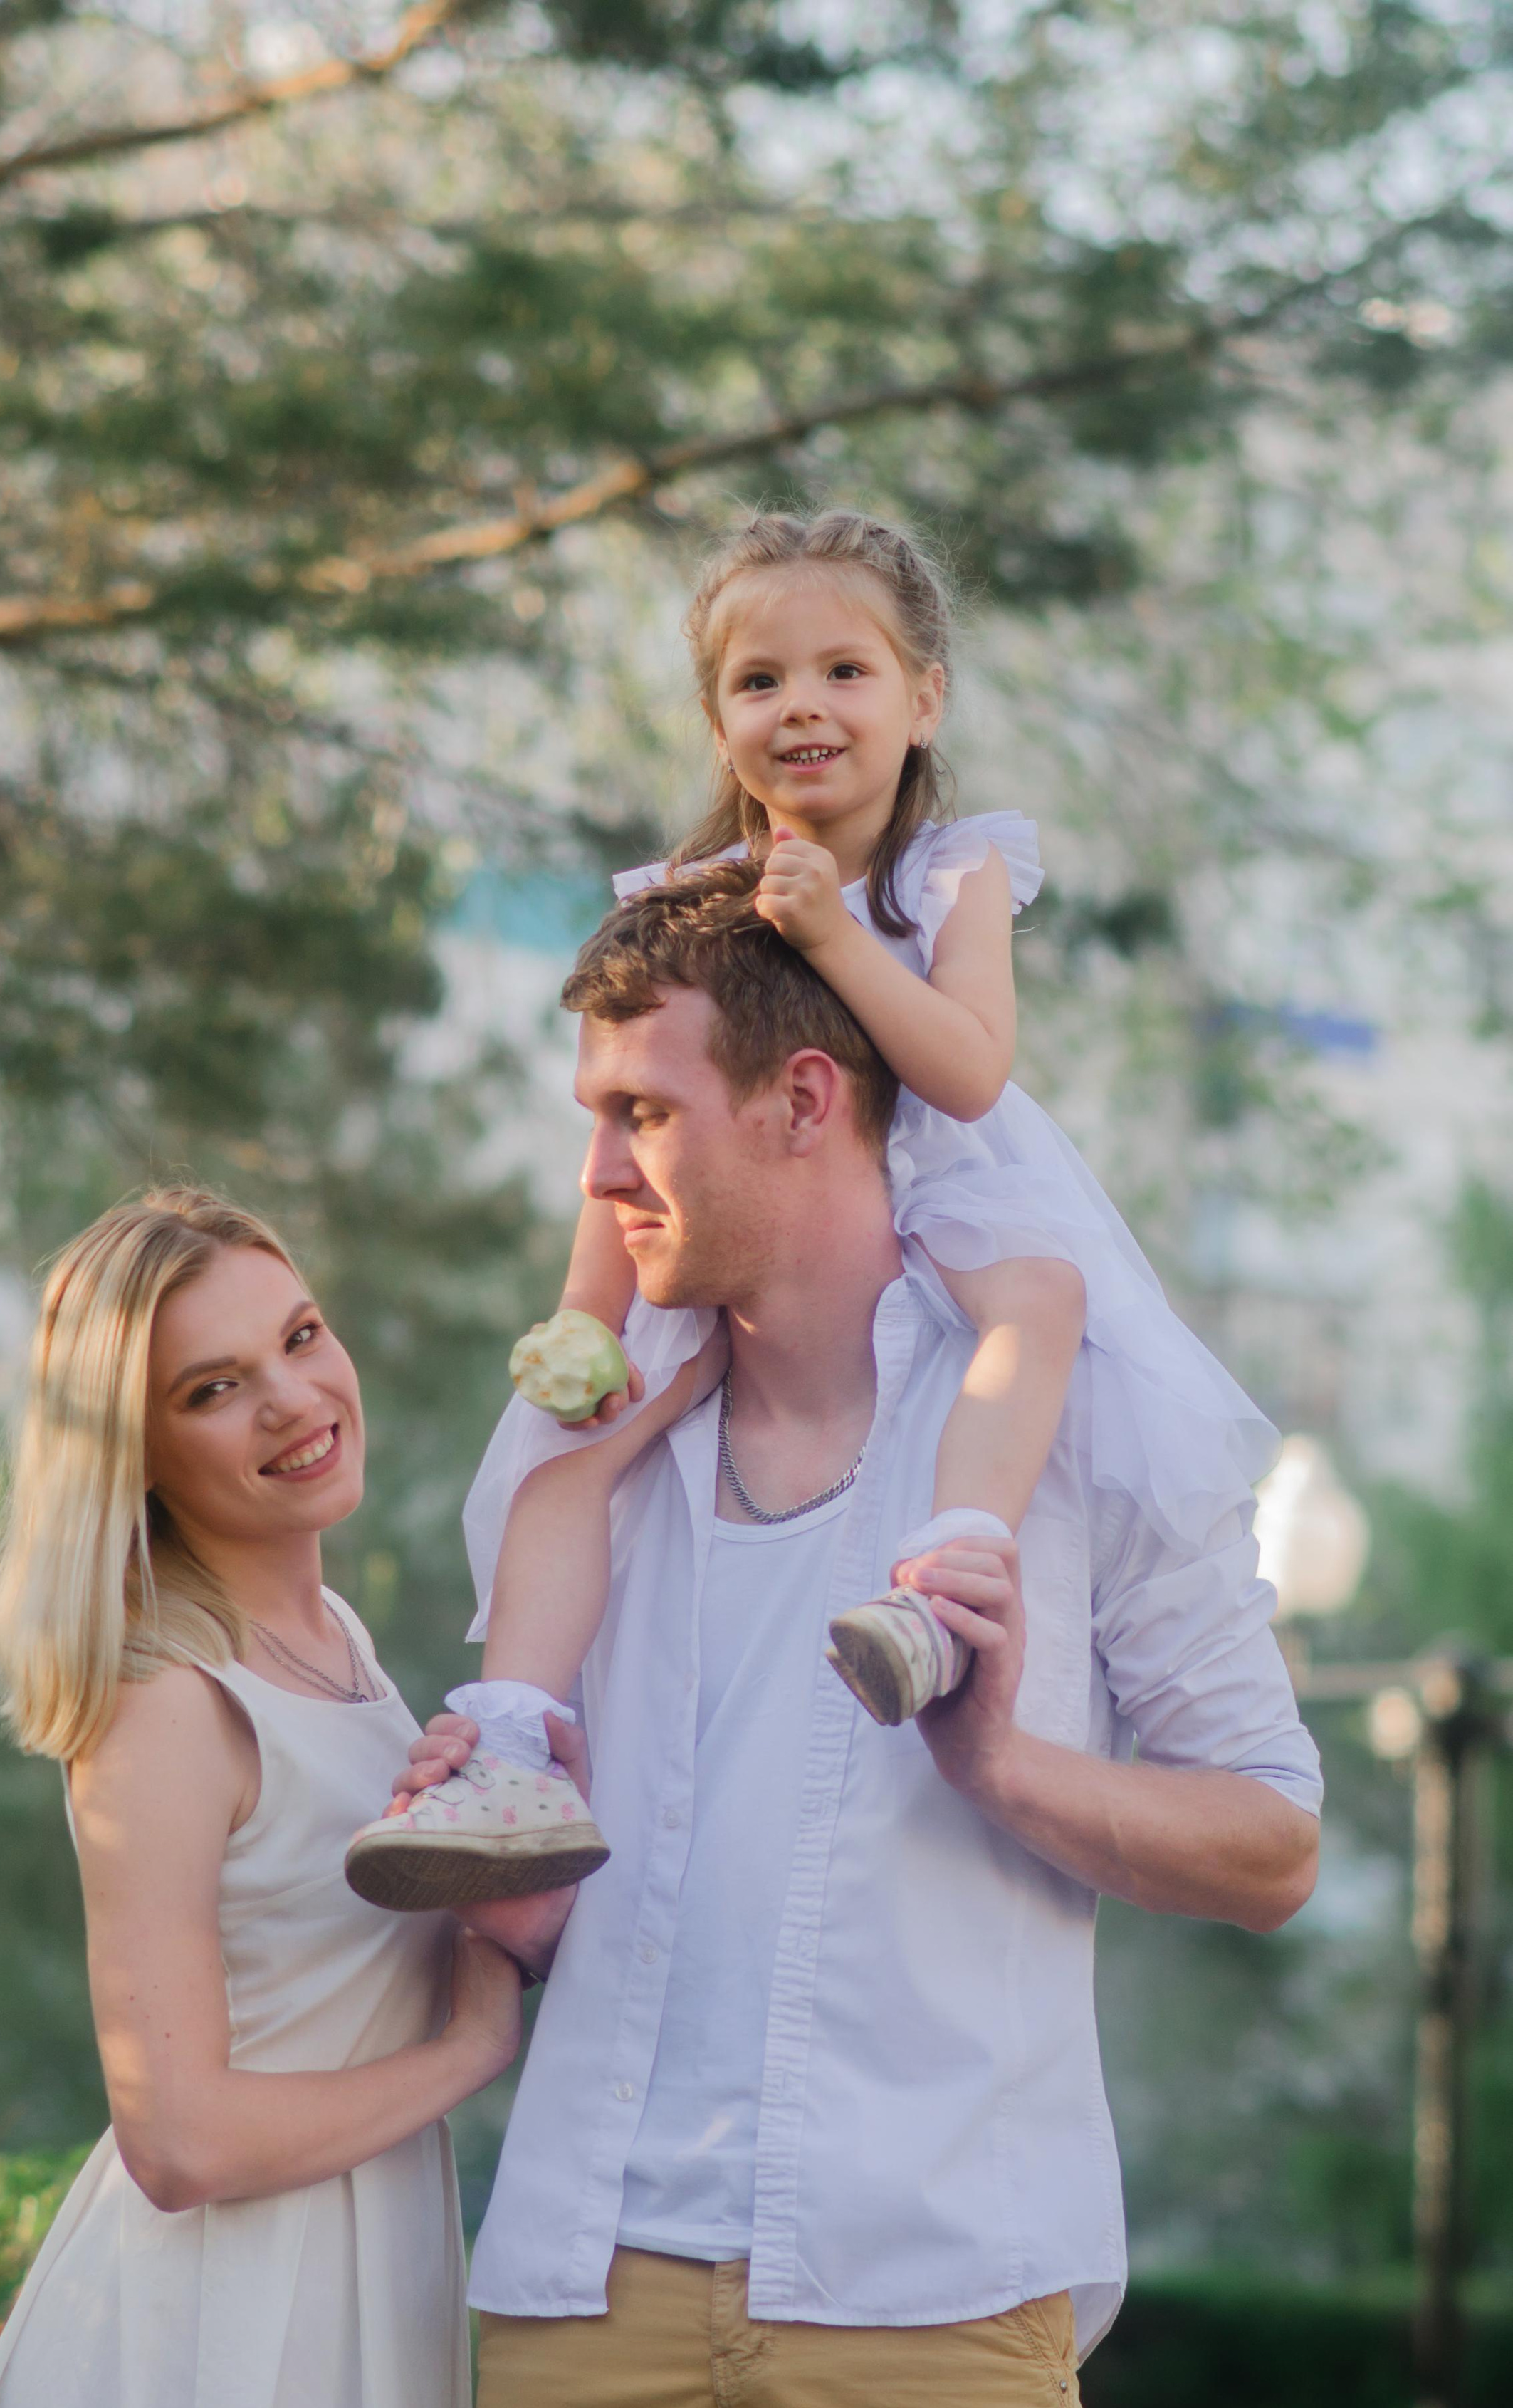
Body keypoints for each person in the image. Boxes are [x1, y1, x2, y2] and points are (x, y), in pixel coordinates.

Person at [389, 900, 1322, 2408]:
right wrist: (495, 1895)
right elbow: (550, 1887)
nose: (598, 1178)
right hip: (581, 2297)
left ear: (804, 1097)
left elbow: (1273, 1845)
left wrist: (1005, 1768)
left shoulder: (1068, 1444)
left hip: (936, 2284)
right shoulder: (571, 1472)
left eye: (641, 1116)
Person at [349, 507, 1273, 1907]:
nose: (803, 708)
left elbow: (965, 1072)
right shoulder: (686, 899)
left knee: (1041, 1298)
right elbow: (632, 1122)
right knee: (560, 1458)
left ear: (922, 697)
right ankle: (511, 1732)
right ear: (716, 720)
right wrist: (582, 1319)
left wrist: (834, 932)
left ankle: (945, 1577)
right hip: (742, 1228)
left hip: (934, 1180)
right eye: (758, 680)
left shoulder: (946, 873)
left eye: (844, 671)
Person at [0, 1187, 513, 2408]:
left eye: (299, 1338)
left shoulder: (340, 1641)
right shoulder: (164, 1700)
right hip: (224, 2329)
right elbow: (178, 2138)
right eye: (211, 1389)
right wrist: (470, 2047)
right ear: (137, 1455)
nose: (293, 1400)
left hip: (365, 2296)